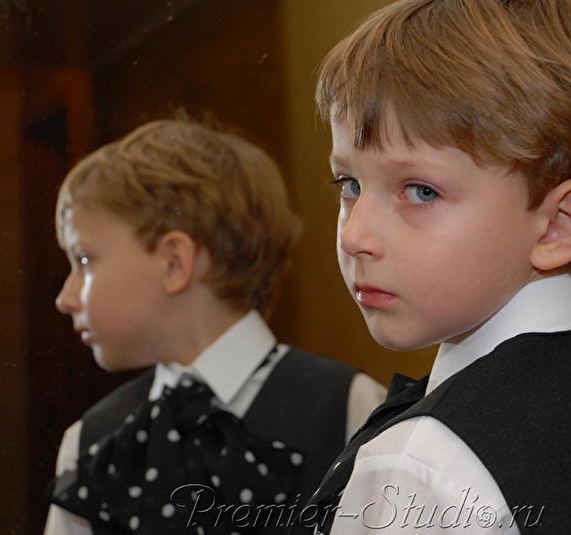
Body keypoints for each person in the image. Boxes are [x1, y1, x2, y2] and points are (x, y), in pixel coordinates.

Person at [293, 0, 571, 533]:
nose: (354, 236)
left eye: (420, 190)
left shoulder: (422, 471)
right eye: (349, 184)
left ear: (558, 225)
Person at [43, 118, 386, 535]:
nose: (64, 297)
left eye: (83, 260)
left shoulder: (350, 409)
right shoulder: (90, 443)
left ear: (175, 263)